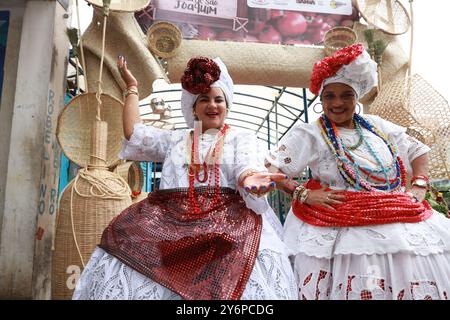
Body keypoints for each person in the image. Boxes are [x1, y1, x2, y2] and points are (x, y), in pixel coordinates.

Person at [72, 55, 297, 300]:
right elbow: (134, 133)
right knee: (126, 248)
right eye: (204, 99)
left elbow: (247, 167)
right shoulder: (176, 139)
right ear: (193, 107)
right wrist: (132, 89)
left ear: (227, 105)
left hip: (228, 228)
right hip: (174, 226)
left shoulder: (240, 138)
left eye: (219, 99)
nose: (212, 105)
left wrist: (252, 180)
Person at [264, 43, 450, 300]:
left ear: (357, 98)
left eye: (346, 95)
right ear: (321, 100)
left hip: (398, 215)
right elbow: (272, 170)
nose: (337, 103)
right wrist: (305, 194)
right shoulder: (310, 133)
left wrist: (419, 183)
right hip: (338, 227)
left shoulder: (377, 126)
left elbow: (417, 149)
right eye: (330, 96)